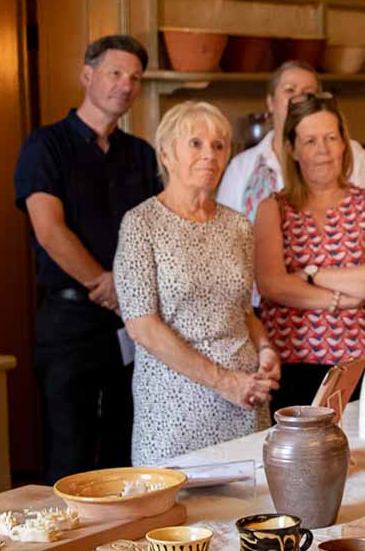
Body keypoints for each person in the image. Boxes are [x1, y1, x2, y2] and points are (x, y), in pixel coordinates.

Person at [14, 34, 159, 481]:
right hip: (70, 321)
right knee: (70, 452)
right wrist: (106, 284)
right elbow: (49, 229)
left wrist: (125, 293)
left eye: (135, 78)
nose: (125, 85)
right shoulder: (47, 146)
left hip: (132, 323)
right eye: (116, 73)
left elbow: (156, 229)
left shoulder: (141, 153)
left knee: (126, 447)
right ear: (87, 75)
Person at [115, 101, 279, 465]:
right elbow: (142, 327)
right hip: (175, 410)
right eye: (195, 143)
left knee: (248, 513)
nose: (210, 155)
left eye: (219, 146)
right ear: (166, 154)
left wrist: (266, 350)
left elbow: (242, 311)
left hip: (244, 401)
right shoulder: (141, 224)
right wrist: (224, 382)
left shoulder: (237, 226)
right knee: (174, 514)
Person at [251, 93, 365, 410]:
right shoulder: (272, 210)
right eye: (310, 141)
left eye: (331, 138)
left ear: (344, 144)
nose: (323, 150)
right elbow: (272, 285)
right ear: (291, 149)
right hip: (293, 362)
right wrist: (342, 298)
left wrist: (311, 274)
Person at [217, 61, 365, 233]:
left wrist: (346, 251)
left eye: (308, 93)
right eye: (289, 90)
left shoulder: (351, 154)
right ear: (271, 102)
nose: (298, 98)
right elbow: (222, 234)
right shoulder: (241, 167)